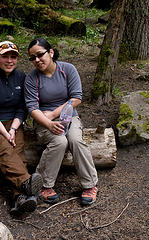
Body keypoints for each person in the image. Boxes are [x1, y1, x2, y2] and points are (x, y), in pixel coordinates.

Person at [24, 38, 99, 206]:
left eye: (39, 55)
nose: (36, 60)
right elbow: (31, 107)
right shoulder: (31, 79)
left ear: (50, 52)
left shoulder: (68, 69)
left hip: (69, 116)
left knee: (75, 140)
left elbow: (76, 98)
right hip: (43, 120)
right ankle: (43, 185)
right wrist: (48, 122)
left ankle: (90, 185)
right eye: (32, 58)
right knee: (59, 141)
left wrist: (53, 114)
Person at [0, 41, 43, 214]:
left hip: (12, 123)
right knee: (4, 148)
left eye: (13, 57)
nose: (9, 60)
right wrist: (5, 133)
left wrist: (13, 129)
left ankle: (18, 199)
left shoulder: (21, 77)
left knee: (18, 153)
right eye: (5, 56)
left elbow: (22, 107)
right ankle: (27, 185)